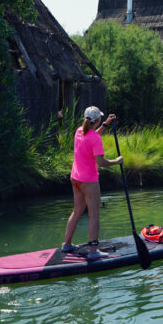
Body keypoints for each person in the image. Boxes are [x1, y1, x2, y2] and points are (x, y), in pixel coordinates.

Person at [62, 106, 123, 260]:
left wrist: (106, 124)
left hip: (75, 179)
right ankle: (93, 250)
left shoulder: (79, 131)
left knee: (77, 212)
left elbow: (91, 136)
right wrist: (117, 161)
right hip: (88, 181)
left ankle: (67, 245)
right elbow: (101, 162)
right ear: (96, 119)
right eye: (101, 118)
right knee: (94, 215)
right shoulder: (95, 138)